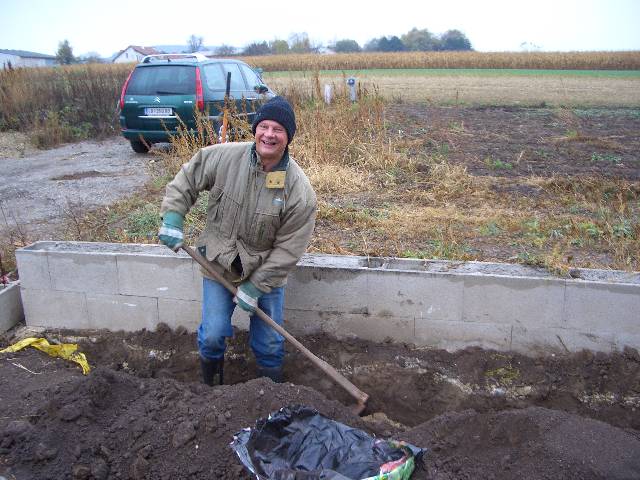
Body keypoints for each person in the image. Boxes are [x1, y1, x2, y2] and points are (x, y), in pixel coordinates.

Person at [158, 96, 317, 386]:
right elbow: (186, 180)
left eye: (278, 129)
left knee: (269, 346)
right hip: (218, 263)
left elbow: (289, 248)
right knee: (213, 336)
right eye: (264, 126)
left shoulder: (299, 190)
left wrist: (257, 285)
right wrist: (172, 217)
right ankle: (211, 390)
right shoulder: (223, 157)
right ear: (255, 129)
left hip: (265, 273)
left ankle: (271, 400)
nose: (269, 134)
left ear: (288, 137)